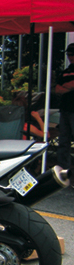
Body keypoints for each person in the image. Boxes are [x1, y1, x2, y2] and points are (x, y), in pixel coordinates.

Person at [56, 43, 74, 177]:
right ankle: (63, 170)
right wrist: (68, 87)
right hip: (65, 109)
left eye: (72, 55)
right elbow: (58, 89)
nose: (70, 57)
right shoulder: (65, 70)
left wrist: (66, 87)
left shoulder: (65, 73)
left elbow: (66, 86)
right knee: (63, 140)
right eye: (69, 55)